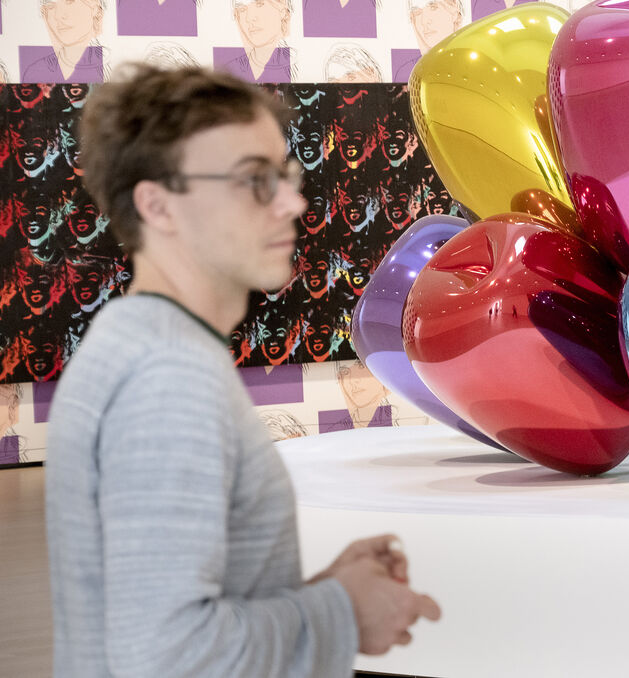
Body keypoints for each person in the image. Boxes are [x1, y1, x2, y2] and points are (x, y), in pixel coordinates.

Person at [45, 66, 441, 676]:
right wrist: (340, 611)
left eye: (284, 175)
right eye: (254, 180)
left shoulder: (146, 346)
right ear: (157, 205)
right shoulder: (166, 378)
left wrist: (322, 592)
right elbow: (167, 657)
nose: (292, 203)